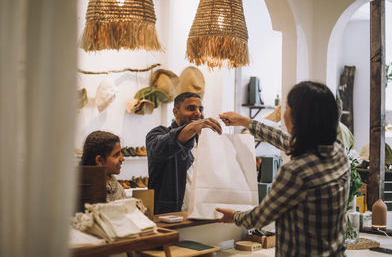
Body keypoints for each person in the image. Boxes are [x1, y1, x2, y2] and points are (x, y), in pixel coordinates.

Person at [217, 81, 349, 257]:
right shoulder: (338, 152)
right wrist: (244, 121)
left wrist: (233, 216)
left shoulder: (295, 172)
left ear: (298, 117)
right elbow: (285, 140)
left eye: (286, 107)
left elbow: (260, 217)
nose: (284, 112)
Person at [146, 92, 222, 214]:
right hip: (170, 216)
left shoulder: (203, 141)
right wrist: (192, 127)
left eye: (200, 109)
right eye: (191, 108)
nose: (198, 113)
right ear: (176, 112)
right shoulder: (157, 134)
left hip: (201, 214)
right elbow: (160, 147)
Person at [81, 131, 127, 202]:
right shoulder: (84, 192)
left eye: (121, 153)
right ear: (99, 160)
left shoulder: (117, 188)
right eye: (116, 155)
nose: (122, 159)